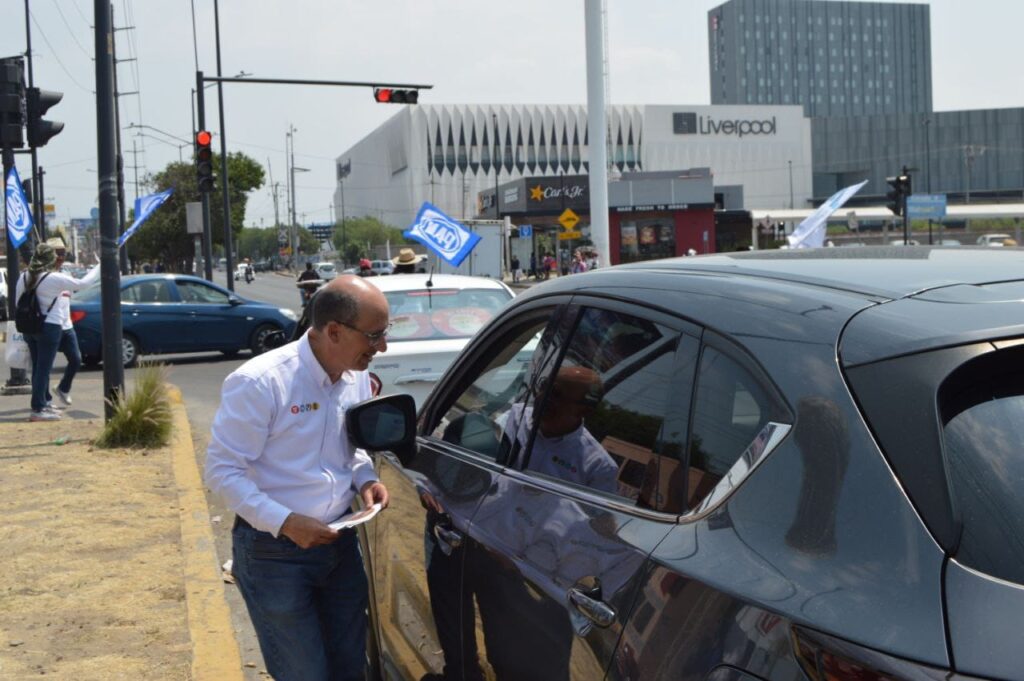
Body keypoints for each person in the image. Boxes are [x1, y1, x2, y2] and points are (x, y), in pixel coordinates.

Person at [205, 275, 392, 681]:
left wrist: (364, 480)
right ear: (334, 331)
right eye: (374, 336)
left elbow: (353, 445)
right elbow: (222, 471)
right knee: (304, 673)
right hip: (275, 553)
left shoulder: (354, 372)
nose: (383, 347)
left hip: (339, 543)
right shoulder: (260, 381)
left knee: (349, 668)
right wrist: (286, 522)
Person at [15, 242, 100, 421]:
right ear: (49, 260)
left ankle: (43, 403)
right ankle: (38, 409)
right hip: (49, 327)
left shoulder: (23, 277)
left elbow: (17, 302)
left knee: (38, 367)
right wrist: (100, 265)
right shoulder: (53, 278)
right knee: (43, 369)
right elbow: (83, 283)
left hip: (29, 328)